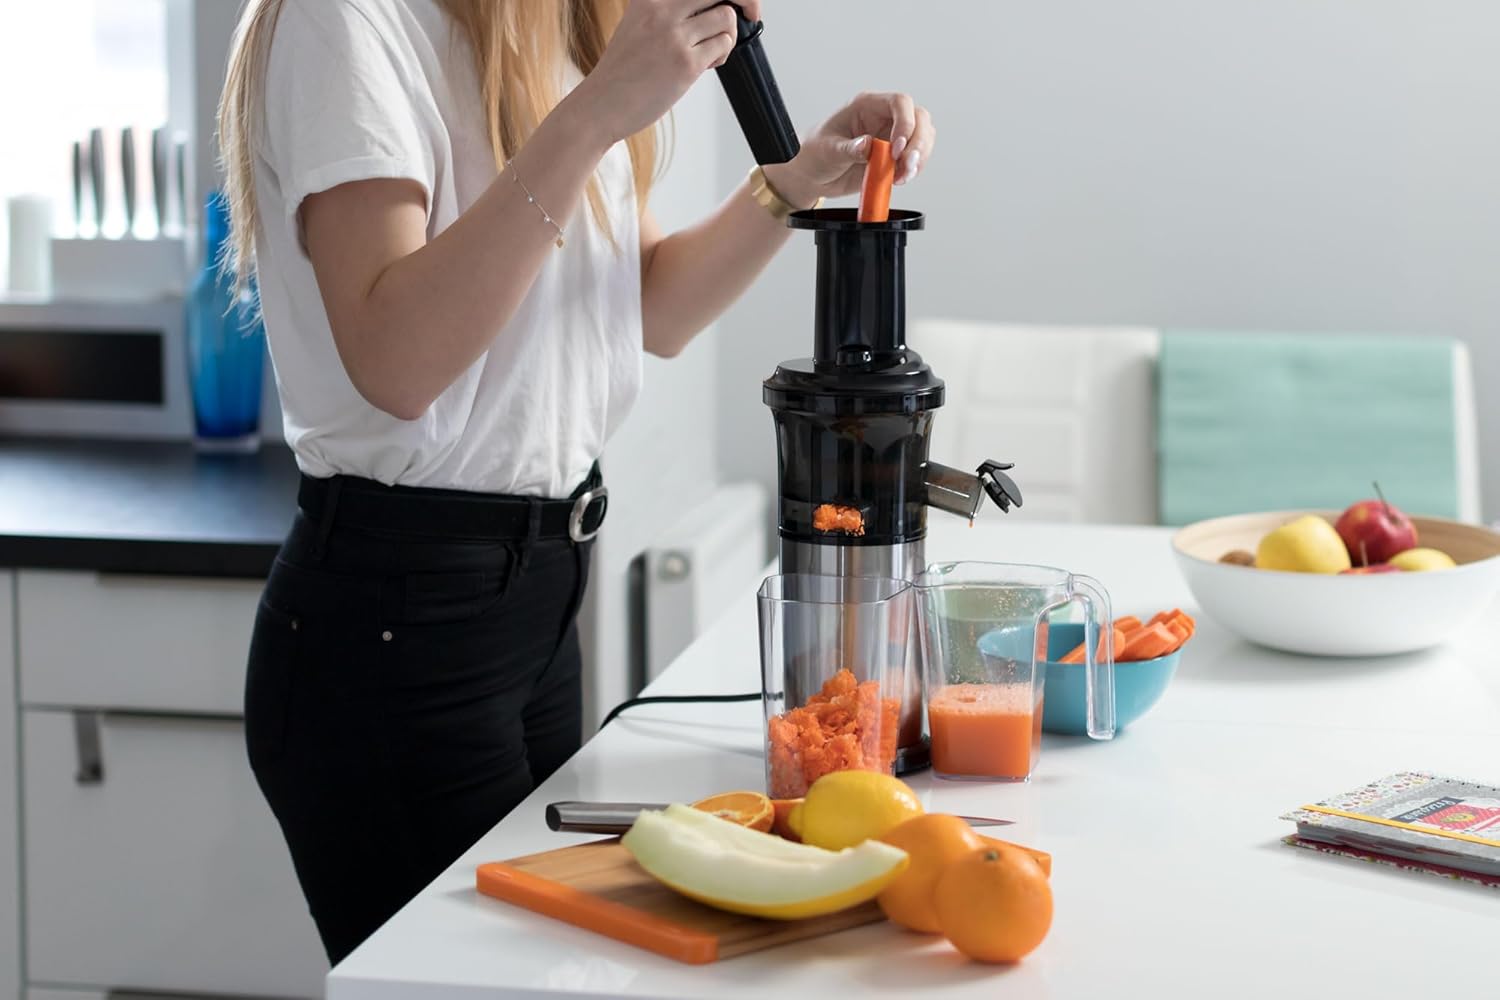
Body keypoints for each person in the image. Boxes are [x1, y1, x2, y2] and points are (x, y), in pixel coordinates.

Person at [219, 0, 936, 964]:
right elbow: (395, 360)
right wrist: (595, 115)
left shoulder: (546, 29)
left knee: (543, 972)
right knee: (465, 981)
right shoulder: (343, 22)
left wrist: (793, 182)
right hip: (396, 627)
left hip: (537, 605)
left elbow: (652, 307)